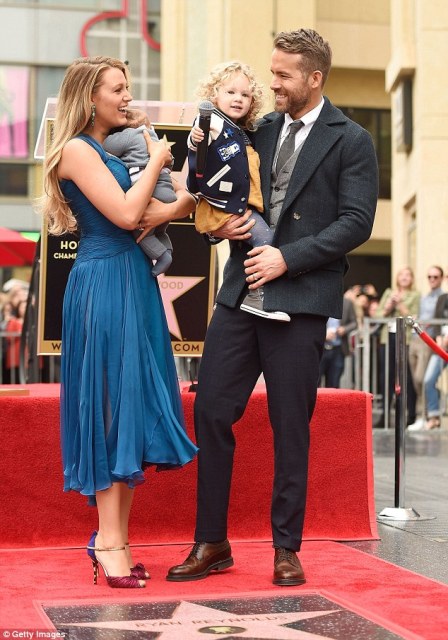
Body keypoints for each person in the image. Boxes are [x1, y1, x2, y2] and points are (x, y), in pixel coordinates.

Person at [167, 28, 378, 586]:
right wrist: (219, 227)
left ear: (315, 78)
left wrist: (288, 258)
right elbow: (216, 187)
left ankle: (286, 547)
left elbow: (357, 221)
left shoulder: (352, 139)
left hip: (301, 301)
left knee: (291, 425)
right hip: (240, 296)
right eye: (272, 72)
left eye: (283, 75)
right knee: (211, 411)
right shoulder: (255, 128)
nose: (273, 83)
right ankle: (212, 541)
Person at [40, 56, 198, 589]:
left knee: (129, 407)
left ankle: (118, 541)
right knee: (111, 408)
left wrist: (174, 190)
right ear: (90, 98)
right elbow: (129, 215)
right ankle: (108, 543)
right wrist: (157, 159)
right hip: (105, 284)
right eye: (118, 89)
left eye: (128, 88)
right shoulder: (76, 151)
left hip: (131, 279)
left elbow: (166, 206)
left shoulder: (108, 148)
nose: (128, 97)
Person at [187, 60, 290, 322]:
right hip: (228, 207)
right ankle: (258, 296)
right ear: (214, 95)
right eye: (230, 92)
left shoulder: (244, 131)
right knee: (267, 242)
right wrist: (195, 137)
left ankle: (258, 296)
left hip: (237, 206)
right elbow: (198, 138)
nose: (238, 99)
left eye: (245, 94)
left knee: (264, 241)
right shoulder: (213, 122)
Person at [103, 109, 176, 276]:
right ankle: (168, 251)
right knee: (160, 231)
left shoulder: (131, 135)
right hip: (167, 191)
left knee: (142, 232)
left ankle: (162, 256)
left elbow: (106, 145)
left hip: (152, 194)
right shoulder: (157, 140)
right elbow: (170, 162)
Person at [375, 266, 420, 426]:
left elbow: (414, 317)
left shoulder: (415, 295)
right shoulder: (389, 292)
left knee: (407, 377)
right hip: (388, 337)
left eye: (408, 275)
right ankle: (385, 416)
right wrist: (388, 306)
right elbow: (377, 315)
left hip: (405, 339)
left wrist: (400, 304)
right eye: (402, 274)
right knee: (386, 377)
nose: (404, 277)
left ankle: (410, 415)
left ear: (412, 279)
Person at [408, 266, 444, 430]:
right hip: (416, 338)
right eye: (429, 276)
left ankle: (425, 414)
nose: (432, 280)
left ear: (441, 278)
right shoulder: (424, 297)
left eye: (435, 277)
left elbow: (439, 320)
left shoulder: (443, 297)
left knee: (423, 378)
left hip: (430, 341)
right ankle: (430, 412)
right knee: (417, 379)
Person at [418, 290, 448, 430]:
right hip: (441, 347)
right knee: (428, 380)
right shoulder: (442, 298)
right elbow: (437, 322)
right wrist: (439, 339)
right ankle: (434, 416)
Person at [319, 295, 357, 388]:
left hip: (338, 349)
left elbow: (354, 323)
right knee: (316, 383)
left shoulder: (347, 303)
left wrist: (345, 329)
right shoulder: (319, 300)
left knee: (334, 384)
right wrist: (323, 334)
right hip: (321, 349)